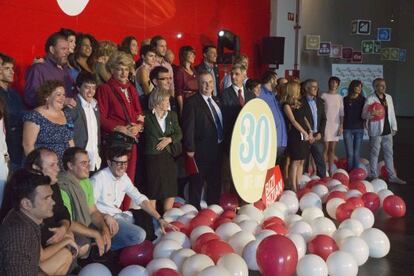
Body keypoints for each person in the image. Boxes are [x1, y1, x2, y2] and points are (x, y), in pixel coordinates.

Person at [91, 147, 177, 247]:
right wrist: (105, 217)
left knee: (156, 222)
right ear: (109, 163)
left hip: (119, 216)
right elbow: (89, 209)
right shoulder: (98, 179)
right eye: (119, 163)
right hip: (104, 221)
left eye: (125, 163)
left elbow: (140, 199)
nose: (122, 167)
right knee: (139, 235)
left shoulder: (124, 177)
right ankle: (103, 247)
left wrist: (160, 218)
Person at [0, 169, 74, 276]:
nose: (53, 202)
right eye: (46, 198)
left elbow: (33, 267)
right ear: (26, 204)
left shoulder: (29, 219)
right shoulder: (19, 233)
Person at [96, 51, 144, 209]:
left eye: (126, 68)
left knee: (129, 178)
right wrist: (120, 128)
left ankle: (124, 211)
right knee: (114, 179)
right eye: (119, 69)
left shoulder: (131, 88)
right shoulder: (105, 88)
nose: (124, 72)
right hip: (116, 142)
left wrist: (138, 126)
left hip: (132, 140)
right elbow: (101, 118)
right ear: (112, 70)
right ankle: (113, 213)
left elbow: (139, 113)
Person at [58, 147, 119, 254]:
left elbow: (93, 211)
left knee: (112, 227)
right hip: (70, 228)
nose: (88, 167)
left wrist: (103, 228)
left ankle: (96, 250)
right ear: (70, 166)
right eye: (83, 163)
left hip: (85, 223)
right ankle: (80, 259)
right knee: (82, 246)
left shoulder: (85, 181)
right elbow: (68, 222)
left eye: (88, 163)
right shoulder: (63, 187)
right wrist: (95, 234)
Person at [182, 72, 223, 209]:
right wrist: (190, 149)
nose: (208, 85)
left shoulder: (217, 101)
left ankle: (214, 210)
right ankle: (193, 212)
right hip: (199, 152)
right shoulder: (192, 102)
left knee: (215, 184)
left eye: (210, 82)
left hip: (218, 150)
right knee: (196, 185)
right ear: (198, 84)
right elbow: (188, 128)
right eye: (204, 82)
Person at [144, 88, 182, 211]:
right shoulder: (146, 116)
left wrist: (169, 140)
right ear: (158, 101)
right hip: (153, 158)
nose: (168, 103)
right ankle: (154, 219)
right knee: (153, 190)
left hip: (168, 156)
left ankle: (167, 217)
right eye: (165, 101)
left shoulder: (172, 115)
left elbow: (179, 133)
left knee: (170, 189)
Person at [362, 78, 406, 184]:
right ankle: (374, 175)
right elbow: (363, 115)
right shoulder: (370, 99)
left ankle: (392, 177)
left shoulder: (389, 97)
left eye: (384, 85)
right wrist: (372, 114)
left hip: (388, 131)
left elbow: (392, 113)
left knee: (389, 154)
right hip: (376, 131)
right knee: (374, 153)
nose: (384, 87)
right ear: (375, 87)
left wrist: (394, 127)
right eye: (381, 85)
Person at [220, 63, 255, 192]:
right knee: (228, 174)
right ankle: (228, 201)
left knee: (243, 174)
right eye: (232, 74)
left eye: (237, 74)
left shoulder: (251, 95)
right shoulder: (224, 95)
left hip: (247, 143)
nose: (234, 77)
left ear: (244, 75)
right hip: (231, 140)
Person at [23, 80, 75, 164]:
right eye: (58, 95)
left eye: (64, 95)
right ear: (47, 96)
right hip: (44, 168)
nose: (62, 98)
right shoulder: (34, 116)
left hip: (65, 167)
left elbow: (70, 141)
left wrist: (73, 161)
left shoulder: (67, 115)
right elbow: (28, 146)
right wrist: (37, 166)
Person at [24, 32, 76, 109]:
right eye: (63, 49)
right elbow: (31, 98)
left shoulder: (66, 70)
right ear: (52, 49)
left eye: (68, 49)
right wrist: (61, 101)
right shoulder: (38, 69)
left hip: (66, 118)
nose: (67, 52)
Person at [67, 72, 101, 173]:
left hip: (94, 159)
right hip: (78, 160)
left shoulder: (95, 105)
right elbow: (68, 134)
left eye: (93, 88)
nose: (91, 91)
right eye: (87, 87)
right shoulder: (72, 106)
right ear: (78, 87)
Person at [282, 81, 311, 192]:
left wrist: (309, 130)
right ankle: (293, 186)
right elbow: (293, 121)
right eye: (297, 88)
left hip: (304, 134)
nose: (299, 90)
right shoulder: (286, 105)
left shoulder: (300, 102)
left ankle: (298, 184)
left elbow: (304, 118)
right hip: (295, 135)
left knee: (301, 160)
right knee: (295, 161)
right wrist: (303, 132)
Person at [0, 53, 25, 172]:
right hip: (5, 145)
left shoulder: (14, 93)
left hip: (19, 145)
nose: (12, 72)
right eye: (7, 68)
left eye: (12, 69)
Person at [259, 70, 288, 165]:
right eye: (275, 81)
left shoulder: (273, 95)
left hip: (281, 140)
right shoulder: (260, 93)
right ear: (271, 80)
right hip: (270, 141)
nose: (276, 84)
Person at [302, 79, 327, 177]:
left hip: (317, 135)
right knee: (304, 160)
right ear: (306, 88)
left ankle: (323, 180)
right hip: (306, 135)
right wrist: (308, 133)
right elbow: (301, 119)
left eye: (316, 86)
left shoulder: (320, 101)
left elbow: (324, 119)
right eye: (313, 86)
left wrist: (321, 133)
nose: (316, 88)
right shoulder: (300, 101)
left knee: (320, 160)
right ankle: (303, 180)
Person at [321, 76, 344, 175]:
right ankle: (322, 169)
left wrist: (341, 126)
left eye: (335, 83)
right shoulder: (324, 96)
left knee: (332, 149)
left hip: (336, 125)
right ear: (329, 83)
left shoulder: (339, 97)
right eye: (332, 82)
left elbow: (342, 113)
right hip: (325, 124)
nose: (333, 84)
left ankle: (330, 169)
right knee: (325, 148)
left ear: (338, 85)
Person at [343, 80, 365, 172]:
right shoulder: (345, 99)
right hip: (347, 128)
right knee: (350, 153)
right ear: (353, 87)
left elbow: (366, 113)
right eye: (358, 87)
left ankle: (355, 172)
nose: (359, 89)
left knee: (356, 153)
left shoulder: (363, 100)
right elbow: (342, 114)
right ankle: (349, 171)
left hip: (359, 128)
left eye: (361, 87)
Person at [175, 46, 198, 114]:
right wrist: (181, 108)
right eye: (191, 54)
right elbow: (179, 92)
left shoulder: (194, 70)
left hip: (196, 101)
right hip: (187, 102)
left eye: (194, 54)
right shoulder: (180, 71)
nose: (193, 56)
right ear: (184, 55)